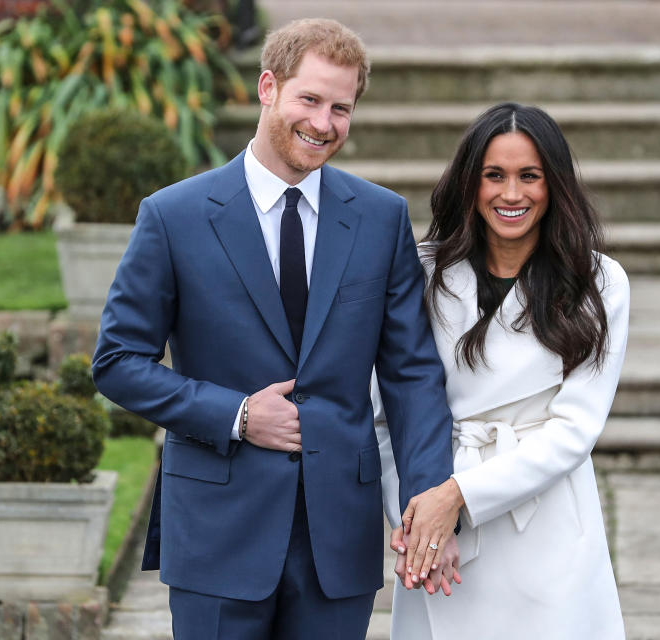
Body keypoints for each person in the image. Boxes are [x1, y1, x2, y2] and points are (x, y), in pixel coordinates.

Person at [92, 18, 460, 640]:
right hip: (217, 528)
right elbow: (118, 360)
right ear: (268, 88)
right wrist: (235, 414)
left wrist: (428, 508)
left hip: (338, 537)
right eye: (309, 99)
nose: (323, 123)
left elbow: (412, 375)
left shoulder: (380, 218)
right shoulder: (173, 216)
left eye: (341, 108)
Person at [376, 103, 630, 639]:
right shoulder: (422, 273)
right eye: (494, 175)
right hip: (435, 519)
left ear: (555, 184)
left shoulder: (599, 282)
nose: (511, 195)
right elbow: (384, 415)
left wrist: (459, 499)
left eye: (529, 176)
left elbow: (574, 431)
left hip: (544, 520)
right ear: (469, 183)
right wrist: (418, 521)